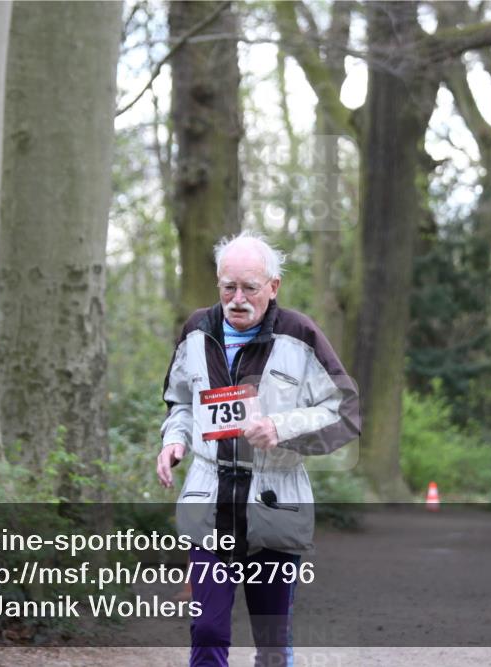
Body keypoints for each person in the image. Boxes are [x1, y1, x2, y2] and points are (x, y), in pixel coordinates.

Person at [156, 231, 361, 667]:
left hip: (274, 500)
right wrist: (175, 439)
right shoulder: (196, 330)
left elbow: (343, 411)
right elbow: (180, 403)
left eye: (249, 287)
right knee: (207, 628)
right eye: (228, 286)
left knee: (271, 640)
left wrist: (281, 428)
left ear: (273, 286)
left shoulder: (300, 334)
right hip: (210, 499)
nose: (237, 299)